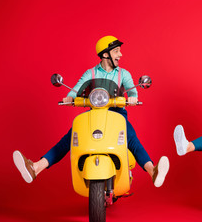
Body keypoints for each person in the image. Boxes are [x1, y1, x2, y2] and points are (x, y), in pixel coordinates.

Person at [14, 35, 169, 187]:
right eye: (116, 51)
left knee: (131, 138)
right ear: (105, 54)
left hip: (117, 115)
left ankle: (152, 171)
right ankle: (36, 168)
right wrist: (70, 97)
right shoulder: (91, 74)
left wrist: (133, 97)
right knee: (71, 137)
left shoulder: (123, 74)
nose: (120, 55)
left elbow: (133, 92)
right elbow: (76, 89)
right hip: (95, 114)